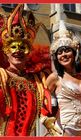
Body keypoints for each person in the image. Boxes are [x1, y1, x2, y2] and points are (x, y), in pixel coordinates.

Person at [0, 4, 58, 136]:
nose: (18, 51)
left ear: (29, 52)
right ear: (6, 52)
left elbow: (42, 108)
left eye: (22, 47)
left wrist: (46, 120)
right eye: (13, 47)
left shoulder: (36, 82)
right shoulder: (1, 76)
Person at [45, 20, 81, 136]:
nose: (64, 55)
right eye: (60, 53)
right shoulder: (55, 78)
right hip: (66, 131)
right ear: (56, 57)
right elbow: (40, 101)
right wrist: (45, 120)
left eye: (67, 50)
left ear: (74, 53)